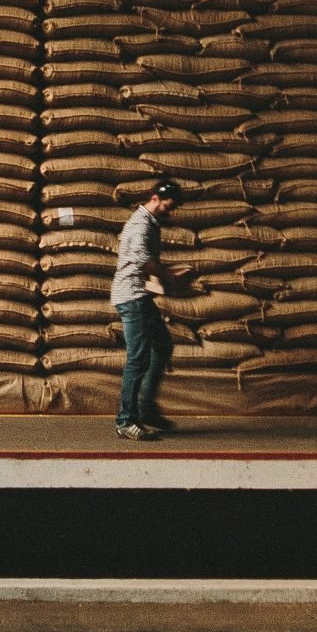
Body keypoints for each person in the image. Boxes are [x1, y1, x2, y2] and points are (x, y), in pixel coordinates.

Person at [110, 178, 181, 440]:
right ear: (154, 198)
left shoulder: (150, 222)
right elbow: (144, 261)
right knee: (138, 359)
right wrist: (169, 277)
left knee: (162, 346)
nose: (169, 212)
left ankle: (146, 408)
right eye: (167, 206)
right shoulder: (141, 224)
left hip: (140, 296)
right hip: (132, 297)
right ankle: (126, 421)